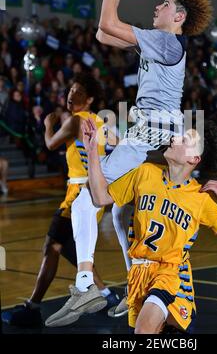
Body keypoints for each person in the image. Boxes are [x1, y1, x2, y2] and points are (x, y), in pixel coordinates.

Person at [45, 0, 213, 325]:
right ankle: (136, 284)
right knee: (121, 213)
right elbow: (103, 32)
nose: (158, 6)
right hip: (153, 134)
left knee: (86, 200)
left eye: (165, 4)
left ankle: (86, 283)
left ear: (179, 17)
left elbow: (107, 19)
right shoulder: (159, 41)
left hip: (154, 134)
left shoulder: (168, 43)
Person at [80, 118, 217, 333]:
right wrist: (92, 150)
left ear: (194, 158)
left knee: (143, 331)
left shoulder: (199, 199)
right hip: (139, 274)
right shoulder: (145, 173)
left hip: (170, 275)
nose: (175, 138)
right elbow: (100, 197)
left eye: (184, 139)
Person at [2, 74, 119, 328]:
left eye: (77, 91)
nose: (70, 94)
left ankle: (32, 308)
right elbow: (115, 150)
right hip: (96, 193)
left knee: (52, 246)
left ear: (88, 99)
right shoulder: (101, 122)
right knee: (69, 248)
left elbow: (50, 145)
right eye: (70, 89)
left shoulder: (77, 120)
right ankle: (105, 295)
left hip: (77, 195)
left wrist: (46, 124)